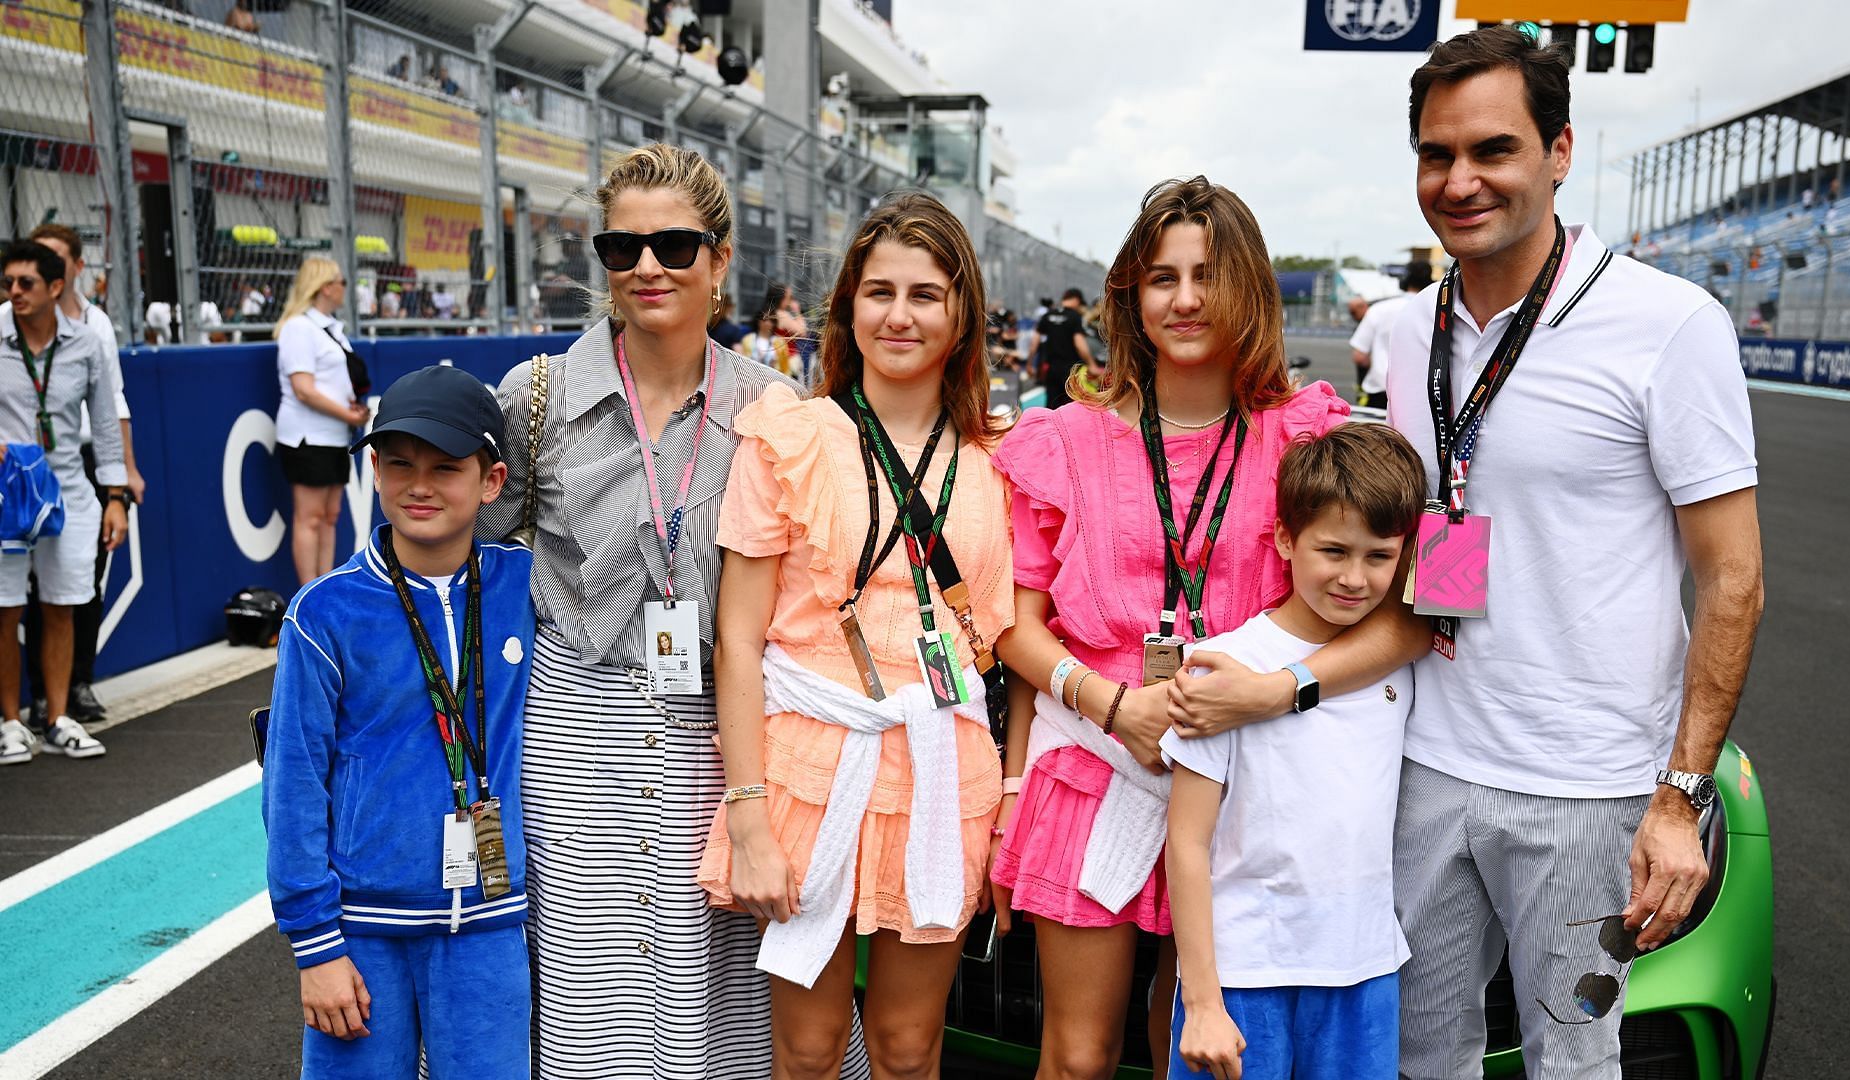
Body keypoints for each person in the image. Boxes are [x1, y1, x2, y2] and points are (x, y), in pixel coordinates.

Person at [1379, 27, 1761, 1075]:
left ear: (1559, 152)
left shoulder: (1669, 323)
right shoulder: (1408, 331)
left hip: (1589, 791)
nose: (1460, 181)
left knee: (1572, 1058)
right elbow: (1441, 512)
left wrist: (1676, 800)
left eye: (1493, 149)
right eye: (1435, 154)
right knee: (1422, 1058)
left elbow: (1734, 577)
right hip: (1425, 764)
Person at [478, 143, 869, 1079]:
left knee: (726, 998)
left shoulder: (776, 409)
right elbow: (479, 572)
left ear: (720, 259)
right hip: (576, 739)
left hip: (719, 735)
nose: (647, 267)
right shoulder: (536, 398)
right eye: (623, 247)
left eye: (675, 246)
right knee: (594, 999)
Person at [990, 177, 1351, 1079]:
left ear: (1250, 292)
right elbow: (1013, 626)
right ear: (1131, 295)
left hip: (1242, 779)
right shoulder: (1062, 440)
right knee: (1076, 1056)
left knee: (1191, 1056)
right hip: (1097, 767)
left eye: (1208, 275)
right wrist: (1114, 704)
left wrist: (1271, 690)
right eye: (1162, 277)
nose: (1186, 299)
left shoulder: (1303, 439)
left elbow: (1390, 608)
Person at [699, 191, 1014, 1078]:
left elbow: (1000, 640)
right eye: (879, 292)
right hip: (805, 766)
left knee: (911, 1046)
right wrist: (749, 811)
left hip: (943, 765)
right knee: (806, 1048)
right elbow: (738, 639)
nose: (900, 315)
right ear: (848, 307)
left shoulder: (997, 460)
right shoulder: (790, 436)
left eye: (926, 294)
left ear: (962, 315)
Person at [262, 363, 533, 1078]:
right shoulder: (325, 613)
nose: (420, 485)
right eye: (399, 464)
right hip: (360, 934)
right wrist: (315, 944)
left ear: (492, 482)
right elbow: (291, 786)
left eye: (446, 467)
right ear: (373, 470)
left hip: (490, 923)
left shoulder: (526, 588)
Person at [1163, 423, 1427, 1080]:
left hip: (1364, 968)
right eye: (1332, 551)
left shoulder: (1405, 654)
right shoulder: (1226, 669)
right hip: (1245, 975)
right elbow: (1186, 843)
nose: (1353, 577)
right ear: (1284, 538)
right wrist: (1201, 1001)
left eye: (1379, 557)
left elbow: (1445, 606)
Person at [0, 241, 128, 765]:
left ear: (56, 287)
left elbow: (104, 423)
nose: (13, 293)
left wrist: (115, 496)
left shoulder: (87, 342)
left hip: (70, 488)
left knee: (63, 605)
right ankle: (10, 722)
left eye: (25, 283)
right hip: (6, 489)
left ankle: (56, 718)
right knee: (5, 610)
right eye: (7, 283)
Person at [274, 256, 368, 585]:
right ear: (327, 286)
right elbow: (304, 390)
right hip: (307, 437)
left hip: (333, 436)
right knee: (310, 518)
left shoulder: (331, 329)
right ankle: (308, 593)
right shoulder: (299, 328)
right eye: (342, 282)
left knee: (330, 516)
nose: (345, 289)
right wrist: (348, 414)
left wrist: (350, 411)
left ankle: (324, 586)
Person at [1346, 261, 1432, 410]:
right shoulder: (1438, 309)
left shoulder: (1380, 309)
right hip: (1424, 395)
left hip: (1381, 391)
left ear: (1404, 281)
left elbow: (1359, 356)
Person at [1034, 287, 1094, 410]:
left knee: (1051, 403)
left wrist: (1030, 363)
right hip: (1071, 368)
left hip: (1051, 367)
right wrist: (1091, 364)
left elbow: (1035, 341)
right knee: (1070, 404)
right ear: (1076, 300)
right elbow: (1079, 343)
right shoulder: (1074, 316)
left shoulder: (1048, 315)